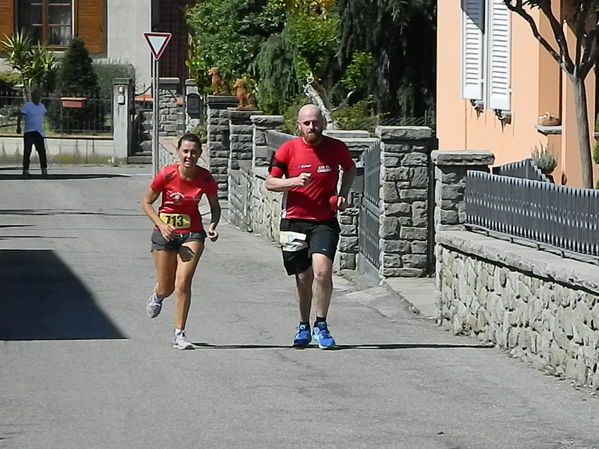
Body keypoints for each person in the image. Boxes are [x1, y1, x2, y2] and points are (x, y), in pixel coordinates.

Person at [265, 104, 356, 349]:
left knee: (322, 271)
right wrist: (293, 182)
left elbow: (350, 168)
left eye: (315, 122)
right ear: (299, 125)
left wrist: (343, 194)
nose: (312, 127)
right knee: (303, 278)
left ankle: (322, 325)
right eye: (307, 123)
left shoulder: (336, 148)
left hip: (324, 221)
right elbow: (270, 183)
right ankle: (303, 325)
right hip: (294, 221)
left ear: (323, 123)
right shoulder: (288, 150)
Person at [141, 133, 221, 350]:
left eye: (194, 152)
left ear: (199, 154)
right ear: (178, 152)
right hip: (164, 234)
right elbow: (146, 202)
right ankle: (157, 295)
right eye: (185, 151)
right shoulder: (166, 175)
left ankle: (180, 334)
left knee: (183, 282)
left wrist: (212, 226)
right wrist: (162, 224)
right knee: (167, 286)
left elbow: (215, 207)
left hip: (192, 233)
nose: (189, 156)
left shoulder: (205, 178)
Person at [16, 89, 48, 177]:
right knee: (27, 151)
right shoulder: (27, 105)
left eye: (40, 96)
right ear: (33, 97)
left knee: (42, 151)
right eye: (37, 96)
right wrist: (18, 126)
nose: (38, 98)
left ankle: (44, 169)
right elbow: (20, 115)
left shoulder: (42, 106)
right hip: (29, 132)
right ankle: (25, 169)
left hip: (39, 132)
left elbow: (46, 114)